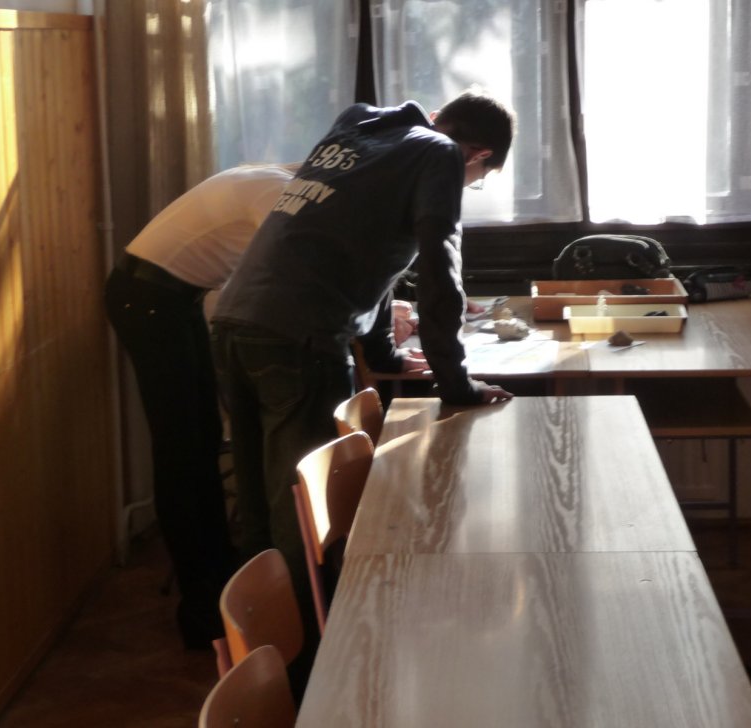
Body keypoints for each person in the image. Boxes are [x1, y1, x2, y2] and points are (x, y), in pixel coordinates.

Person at [209, 89, 516, 699]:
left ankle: (266, 661)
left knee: (260, 510)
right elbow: (439, 268)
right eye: (478, 178)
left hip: (236, 322)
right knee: (301, 516)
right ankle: (310, 681)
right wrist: (456, 384)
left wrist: (384, 356)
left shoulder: (361, 129)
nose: (467, 184)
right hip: (298, 337)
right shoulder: (440, 154)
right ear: (477, 154)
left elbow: (369, 251)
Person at [104, 162, 424, 658]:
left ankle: (219, 587)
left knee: (198, 444)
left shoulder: (290, 182)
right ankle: (202, 608)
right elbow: (298, 275)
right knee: (182, 452)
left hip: (170, 296)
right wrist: (374, 319)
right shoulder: (281, 195)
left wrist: (384, 309)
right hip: (148, 298)